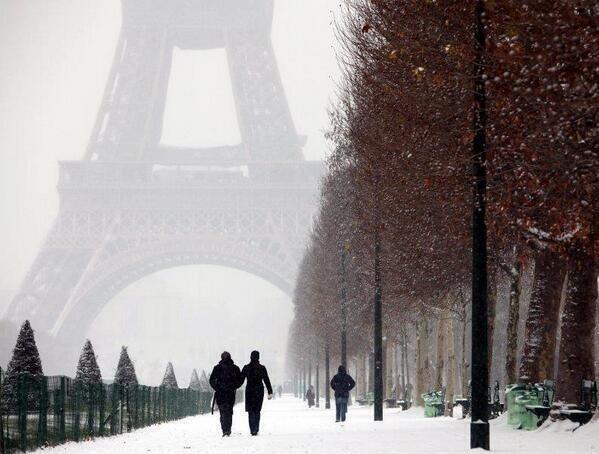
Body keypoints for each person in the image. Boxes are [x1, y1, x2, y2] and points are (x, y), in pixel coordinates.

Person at [209, 351, 243, 436]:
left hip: (220, 393)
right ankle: (228, 429)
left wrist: (216, 387)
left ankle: (224, 429)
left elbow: (211, 380)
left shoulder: (217, 368)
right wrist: (234, 386)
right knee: (229, 411)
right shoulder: (235, 368)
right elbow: (240, 380)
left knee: (222, 411)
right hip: (230, 393)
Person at [240, 350, 273, 435]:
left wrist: (233, 386)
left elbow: (240, 380)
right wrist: (270, 391)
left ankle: (252, 429)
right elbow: (266, 380)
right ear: (258, 357)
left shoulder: (246, 367)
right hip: (259, 390)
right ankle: (256, 428)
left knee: (250, 411)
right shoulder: (262, 368)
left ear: (250, 357)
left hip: (250, 390)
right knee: (257, 410)